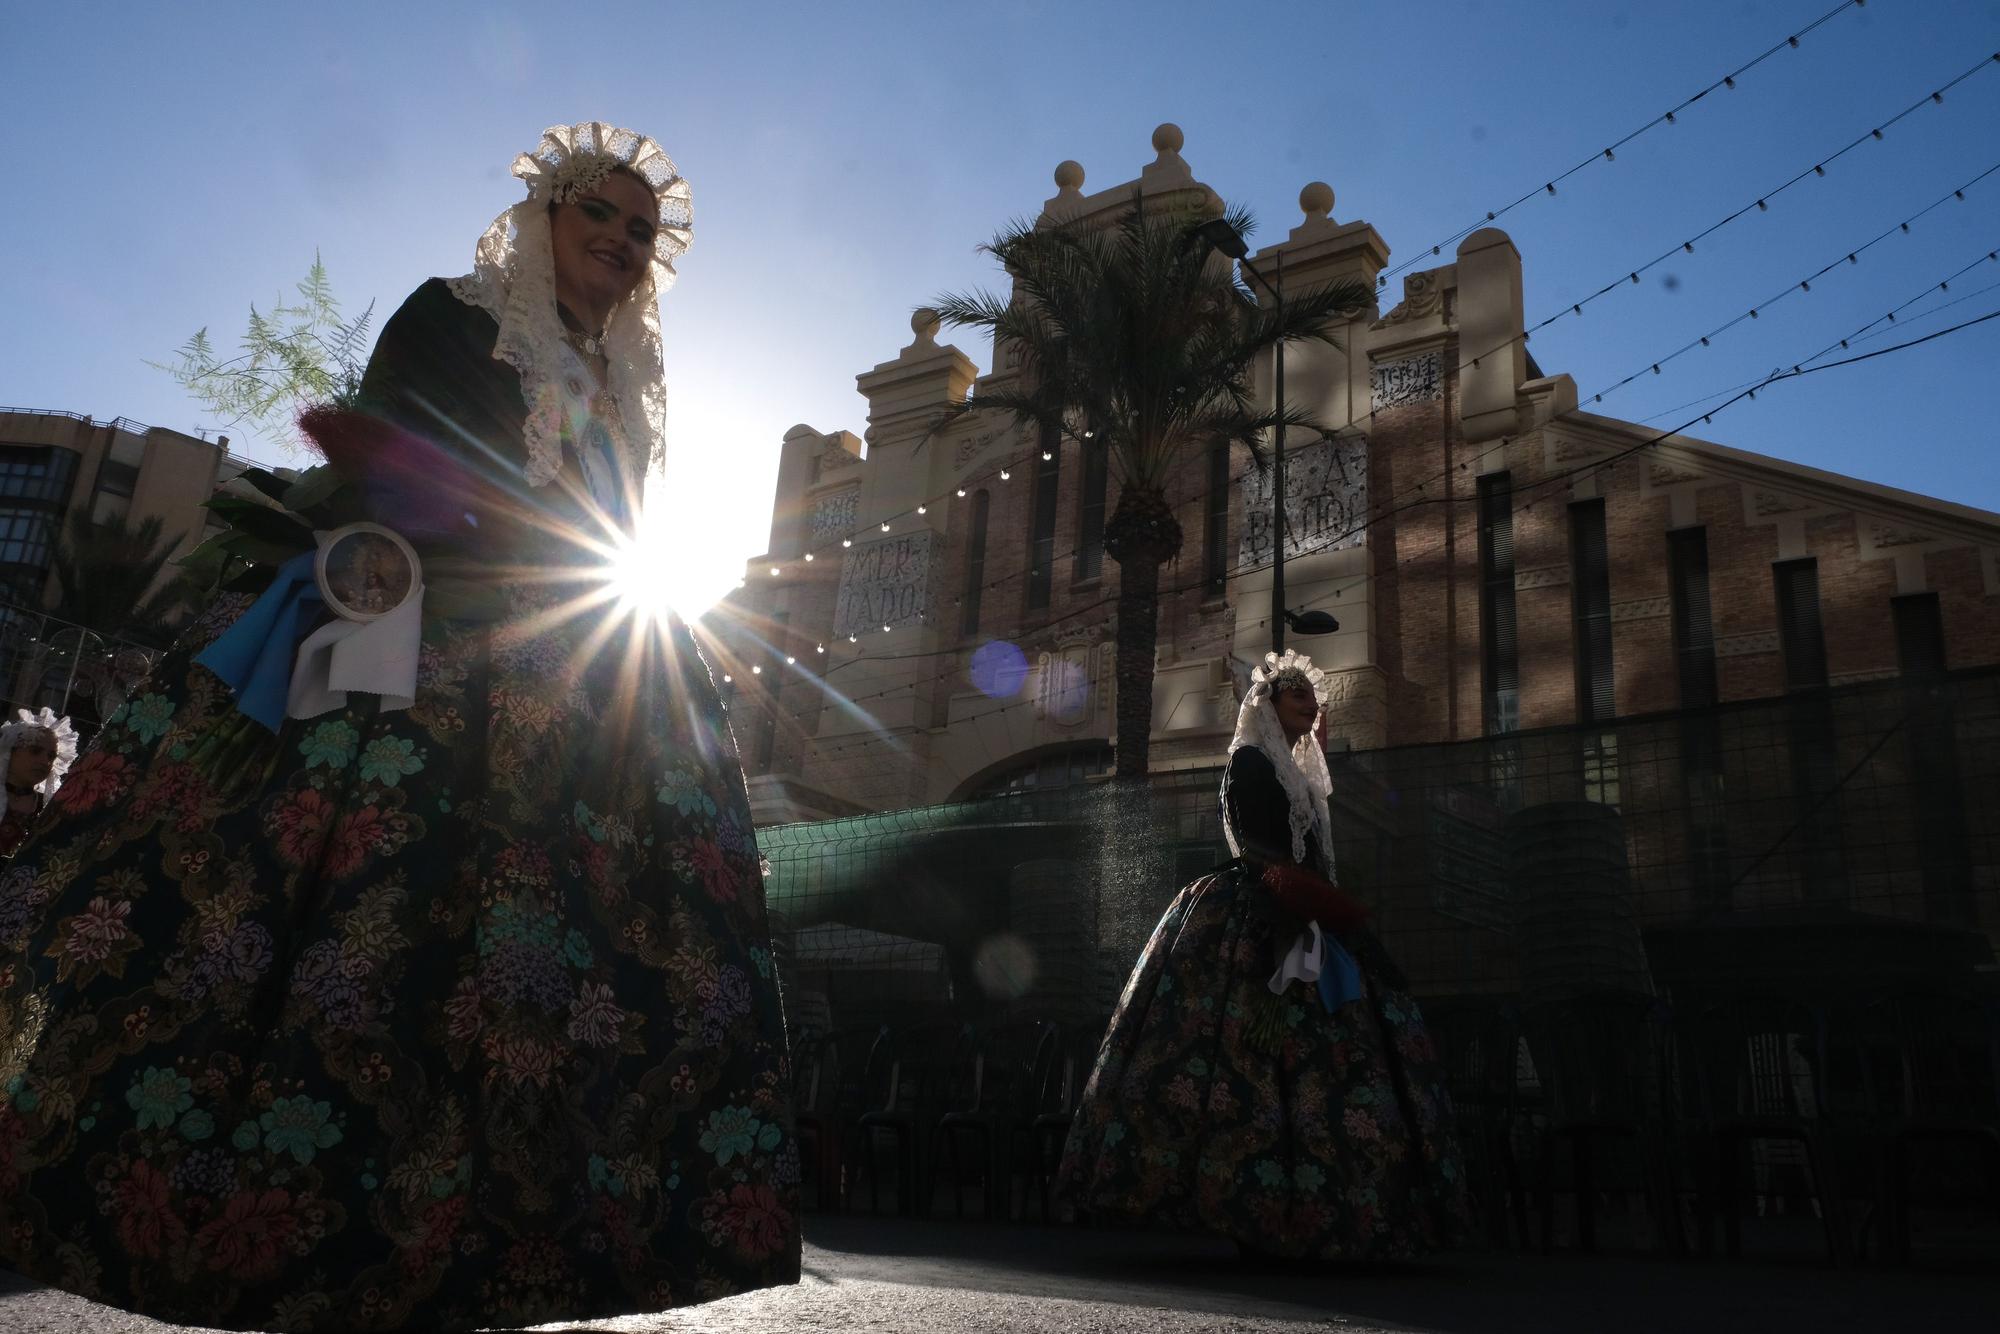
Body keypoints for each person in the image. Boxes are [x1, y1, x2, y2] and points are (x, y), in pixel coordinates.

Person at [0, 123, 799, 1331]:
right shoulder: (458, 312)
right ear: (546, 216)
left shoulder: (626, 385)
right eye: (604, 215)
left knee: (571, 953)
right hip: (438, 645)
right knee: (360, 911)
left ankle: (510, 1226)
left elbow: (623, 527)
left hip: (585, 671)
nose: (625, 243)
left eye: (644, 231)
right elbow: (396, 455)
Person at [1057, 650, 1468, 1261]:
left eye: (1313, 696)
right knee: (1238, 1049)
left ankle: (1334, 1200)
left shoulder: (1300, 774)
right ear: (1269, 703)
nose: (1312, 705)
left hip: (1304, 908)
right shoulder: (1250, 761)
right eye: (1299, 694)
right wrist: (1289, 904)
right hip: (1257, 908)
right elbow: (1259, 843)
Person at [0, 707, 77, 858]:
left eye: (51, 756)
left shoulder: (49, 809)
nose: (45, 761)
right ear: (10, 752)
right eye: (35, 751)